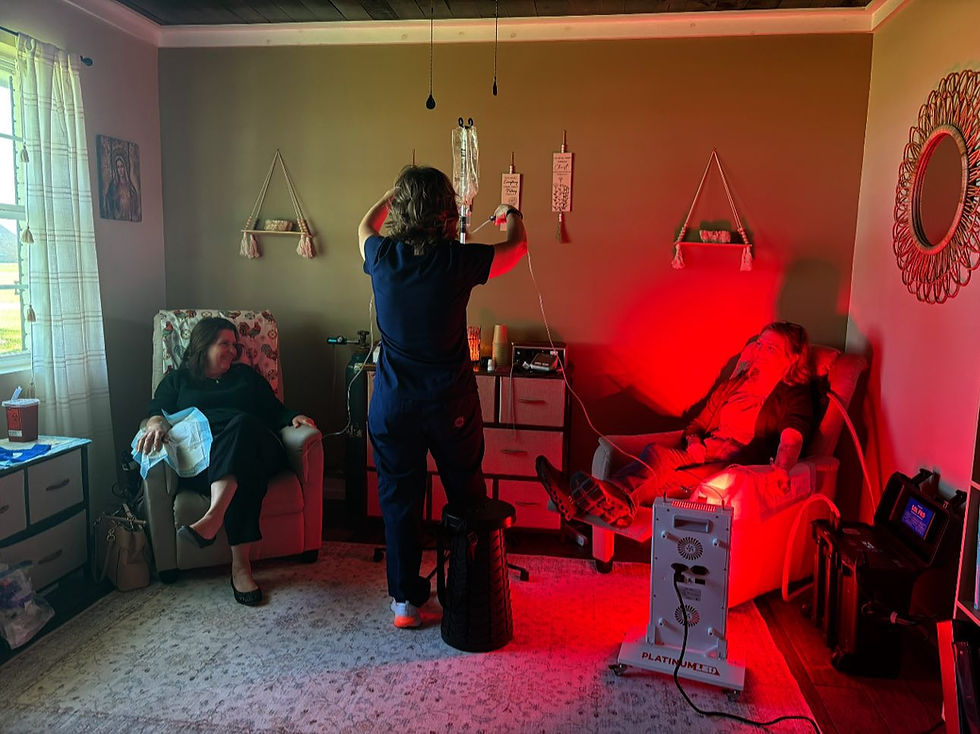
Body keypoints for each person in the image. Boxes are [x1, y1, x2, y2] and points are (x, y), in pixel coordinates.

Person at [359, 165, 528, 629]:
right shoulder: (456, 261)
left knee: (399, 500)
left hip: (393, 404)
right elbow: (516, 249)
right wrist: (509, 214)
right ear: (445, 210)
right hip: (448, 402)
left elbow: (363, 227)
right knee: (466, 495)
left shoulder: (382, 254)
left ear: (402, 207)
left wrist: (391, 193)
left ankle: (404, 604)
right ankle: (471, 592)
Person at [536, 321, 814, 528]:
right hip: (704, 452)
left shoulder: (795, 395)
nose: (761, 352)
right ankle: (613, 505)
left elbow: (792, 437)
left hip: (733, 467)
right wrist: (693, 442)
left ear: (792, 358)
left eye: (772, 348)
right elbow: (699, 423)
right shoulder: (736, 384)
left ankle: (579, 498)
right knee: (658, 458)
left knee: (662, 468)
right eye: (760, 345)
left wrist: (782, 468)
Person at [136, 317, 315, 605]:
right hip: (206, 461)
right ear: (203, 346)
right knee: (242, 469)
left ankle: (213, 518)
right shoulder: (178, 381)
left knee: (242, 425)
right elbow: (156, 411)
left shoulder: (245, 377)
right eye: (225, 344)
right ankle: (240, 567)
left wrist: (292, 417)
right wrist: (156, 425)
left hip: (258, 445)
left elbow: (274, 410)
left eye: (235, 345)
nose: (233, 351)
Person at [104, 153, 140, 221]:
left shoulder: (130, 186)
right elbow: (109, 200)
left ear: (125, 167)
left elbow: (135, 203)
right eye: (118, 167)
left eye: (122, 166)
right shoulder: (113, 186)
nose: (120, 170)